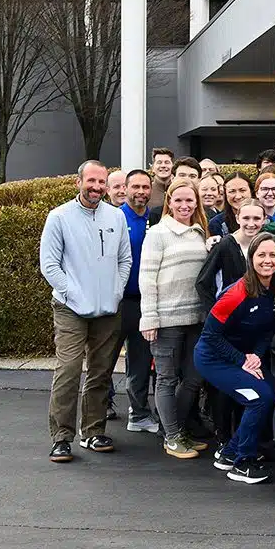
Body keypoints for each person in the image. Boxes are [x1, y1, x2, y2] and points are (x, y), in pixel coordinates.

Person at [39, 161, 132, 462]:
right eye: (90, 181)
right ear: (78, 182)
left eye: (101, 182)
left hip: (107, 308)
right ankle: (61, 437)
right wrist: (71, 293)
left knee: (101, 372)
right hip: (70, 309)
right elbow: (49, 265)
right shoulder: (59, 217)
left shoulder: (115, 216)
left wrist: (115, 292)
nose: (96, 187)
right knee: (67, 370)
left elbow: (124, 260)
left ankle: (92, 432)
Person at [194, 232, 275, 484]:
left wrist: (256, 356)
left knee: (274, 391)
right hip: (213, 358)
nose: (267, 260)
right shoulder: (235, 294)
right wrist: (242, 360)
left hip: (244, 356)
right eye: (261, 255)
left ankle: (228, 453)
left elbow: (267, 329)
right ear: (251, 258)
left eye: (272, 255)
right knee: (259, 398)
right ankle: (242, 462)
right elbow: (210, 336)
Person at [139, 178, 210, 459]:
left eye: (189, 200)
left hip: (195, 318)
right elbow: (146, 277)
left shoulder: (199, 232)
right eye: (178, 200)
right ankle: (171, 437)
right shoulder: (158, 233)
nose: (184, 205)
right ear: (169, 202)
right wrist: (149, 317)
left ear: (196, 202)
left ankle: (178, 430)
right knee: (167, 379)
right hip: (166, 319)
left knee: (193, 378)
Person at [111, 170, 158, 432]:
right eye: (135, 186)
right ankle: (97, 414)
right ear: (125, 189)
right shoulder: (116, 218)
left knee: (140, 362)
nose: (140, 191)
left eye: (145, 187)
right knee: (104, 361)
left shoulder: (154, 219)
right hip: (118, 302)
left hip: (145, 302)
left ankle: (138, 414)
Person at [208, 172, 255, 237]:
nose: (238, 196)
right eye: (232, 191)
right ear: (225, 194)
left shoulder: (265, 220)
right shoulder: (216, 223)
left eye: (242, 190)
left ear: (251, 191)